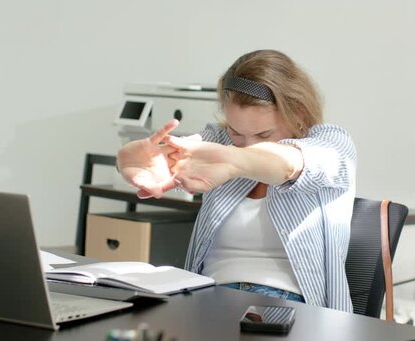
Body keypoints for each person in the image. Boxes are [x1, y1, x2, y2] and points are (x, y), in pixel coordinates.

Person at [116, 50, 357, 312]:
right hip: (209, 298)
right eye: (235, 132)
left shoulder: (332, 144)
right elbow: (167, 158)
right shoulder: (219, 141)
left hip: (289, 306)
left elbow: (288, 164)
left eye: (264, 134)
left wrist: (234, 161)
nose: (246, 144)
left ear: (297, 113)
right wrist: (129, 162)